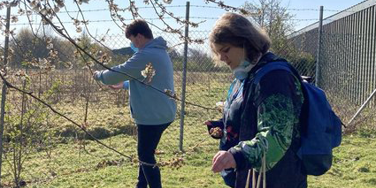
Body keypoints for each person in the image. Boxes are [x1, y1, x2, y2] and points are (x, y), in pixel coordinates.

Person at [208, 12, 307, 188]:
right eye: (218, 52)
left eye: (226, 50)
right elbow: (248, 116)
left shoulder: (275, 77)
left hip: (277, 178)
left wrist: (237, 155)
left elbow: (276, 136)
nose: (222, 58)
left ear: (246, 42)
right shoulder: (245, 75)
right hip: (251, 177)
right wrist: (223, 127)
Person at [93, 19, 176, 188]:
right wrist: (124, 85)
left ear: (138, 36)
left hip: (152, 116)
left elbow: (120, 71)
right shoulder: (159, 52)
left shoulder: (146, 54)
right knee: (145, 154)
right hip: (162, 112)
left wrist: (100, 75)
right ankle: (141, 185)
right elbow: (148, 79)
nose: (132, 45)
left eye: (132, 40)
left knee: (145, 156)